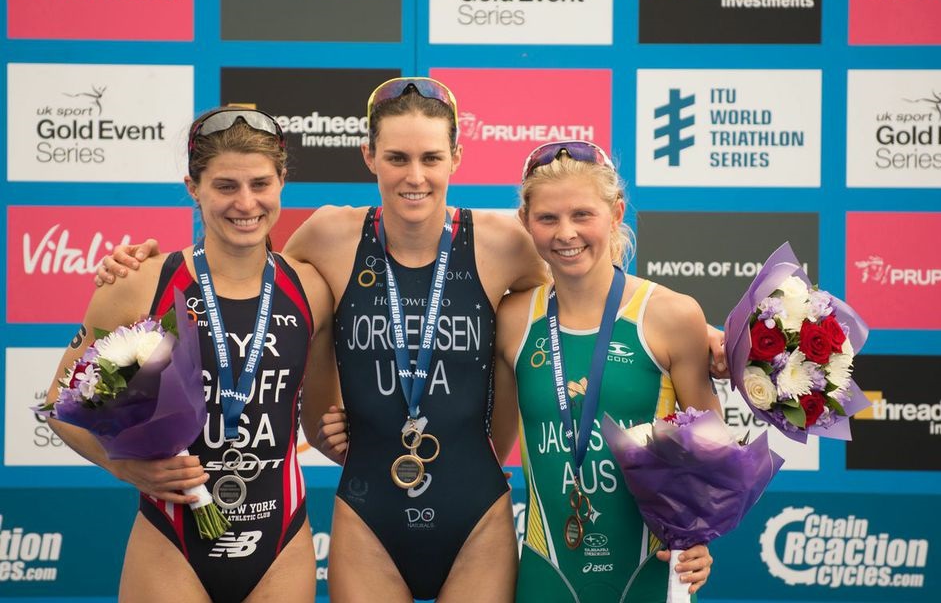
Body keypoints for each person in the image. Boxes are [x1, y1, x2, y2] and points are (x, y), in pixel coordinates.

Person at [94, 78, 728, 602]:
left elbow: (591, 293)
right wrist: (322, 414)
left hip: (474, 513)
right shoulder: (330, 236)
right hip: (368, 514)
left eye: (430, 158)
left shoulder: (505, 240)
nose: (415, 176)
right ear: (369, 157)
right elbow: (260, 299)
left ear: (456, 157)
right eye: (397, 158)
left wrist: (697, 336)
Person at [45, 108, 337, 603]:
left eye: (260, 183)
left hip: (280, 543)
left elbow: (320, 420)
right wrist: (125, 467)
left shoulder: (313, 289)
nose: (246, 203)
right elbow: (60, 404)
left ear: (282, 181)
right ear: (193, 187)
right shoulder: (140, 281)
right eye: (225, 186)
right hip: (171, 542)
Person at [491, 140, 718, 602]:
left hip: (652, 570)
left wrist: (701, 536)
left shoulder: (671, 315)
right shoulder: (512, 320)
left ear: (615, 214)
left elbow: (712, 451)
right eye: (548, 218)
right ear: (525, 223)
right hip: (547, 571)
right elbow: (490, 444)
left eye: (582, 215)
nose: (566, 233)